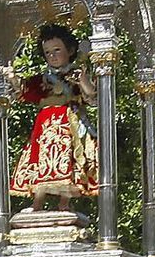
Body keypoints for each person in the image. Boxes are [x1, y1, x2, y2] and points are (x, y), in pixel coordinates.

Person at [7, 23, 98, 213]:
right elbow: (23, 91)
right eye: (48, 52)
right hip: (45, 127)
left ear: (70, 50)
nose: (52, 56)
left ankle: (64, 203)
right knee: (40, 162)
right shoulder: (42, 79)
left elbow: (91, 96)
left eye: (57, 50)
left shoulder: (76, 74)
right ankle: (37, 204)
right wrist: (13, 78)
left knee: (68, 160)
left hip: (69, 124)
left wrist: (82, 80)